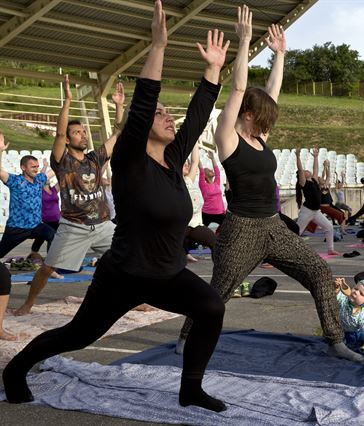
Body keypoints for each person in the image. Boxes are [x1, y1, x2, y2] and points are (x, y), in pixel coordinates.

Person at [3, 1, 228, 412]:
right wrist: (158, 46)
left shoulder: (172, 159)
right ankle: (15, 370)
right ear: (141, 131)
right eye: (160, 115)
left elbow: (196, 117)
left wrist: (212, 71)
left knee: (211, 307)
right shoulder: (129, 162)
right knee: (77, 335)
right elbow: (143, 103)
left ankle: (190, 389)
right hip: (124, 274)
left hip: (166, 273)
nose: (167, 117)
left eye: (167, 114)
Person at [177, 5, 364, 364]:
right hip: (241, 230)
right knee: (219, 292)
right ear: (248, 114)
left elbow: (271, 95)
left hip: (274, 226)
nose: (267, 124)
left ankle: (334, 339)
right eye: (261, 117)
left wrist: (280, 55)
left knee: (319, 271)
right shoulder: (227, 138)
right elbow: (239, 87)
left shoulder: (260, 136)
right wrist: (246, 41)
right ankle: (187, 336)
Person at [11, 76, 125, 316]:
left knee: (129, 258)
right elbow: (59, 135)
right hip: (74, 227)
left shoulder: (95, 159)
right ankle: (28, 303)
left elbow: (117, 134)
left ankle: (134, 300)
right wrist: (68, 101)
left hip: (103, 225)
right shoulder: (63, 160)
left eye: (83, 131)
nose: (82, 135)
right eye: (77, 132)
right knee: (47, 267)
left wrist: (118, 106)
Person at [0, 140, 56, 261]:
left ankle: (49, 268)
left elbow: (56, 170)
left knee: (53, 235)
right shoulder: (15, 181)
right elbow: (0, 172)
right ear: (23, 167)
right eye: (33, 167)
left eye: (37, 167)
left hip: (36, 226)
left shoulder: (39, 179)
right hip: (16, 228)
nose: (36, 169)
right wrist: (0, 151)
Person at [296, 147, 339, 255]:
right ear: (303, 176)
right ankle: (280, 254)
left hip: (316, 211)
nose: (307, 170)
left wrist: (316, 157)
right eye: (305, 171)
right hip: (307, 211)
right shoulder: (303, 183)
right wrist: (297, 156)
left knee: (329, 227)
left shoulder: (314, 180)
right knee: (296, 233)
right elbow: (300, 169)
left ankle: (330, 250)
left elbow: (315, 168)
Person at [183, 143, 216, 263]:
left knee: (216, 244)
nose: (187, 165)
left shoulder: (188, 180)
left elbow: (195, 161)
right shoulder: (172, 182)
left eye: (187, 163)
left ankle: (222, 276)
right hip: (179, 227)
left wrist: (194, 141)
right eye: (183, 164)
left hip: (195, 225)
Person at [334, 277, 364, 349]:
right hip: (342, 330)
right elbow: (335, 297)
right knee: (339, 342)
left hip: (356, 332)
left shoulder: (363, 314)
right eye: (356, 288)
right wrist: (336, 289)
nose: (355, 292)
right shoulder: (344, 300)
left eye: (361, 293)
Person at [29, 160, 60, 257]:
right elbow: (40, 178)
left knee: (55, 239)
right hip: (45, 220)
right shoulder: (39, 191)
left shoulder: (54, 189)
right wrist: (45, 167)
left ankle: (51, 258)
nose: (46, 178)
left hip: (57, 219)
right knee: (40, 239)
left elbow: (62, 180)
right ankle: (33, 254)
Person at [199, 148, 226, 227]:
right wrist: (197, 160)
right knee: (201, 234)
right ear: (205, 175)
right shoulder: (203, 185)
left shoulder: (217, 183)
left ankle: (216, 235)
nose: (211, 169)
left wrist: (212, 158)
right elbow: (200, 170)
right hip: (207, 213)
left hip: (220, 213)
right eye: (208, 170)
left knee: (226, 230)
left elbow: (217, 171)